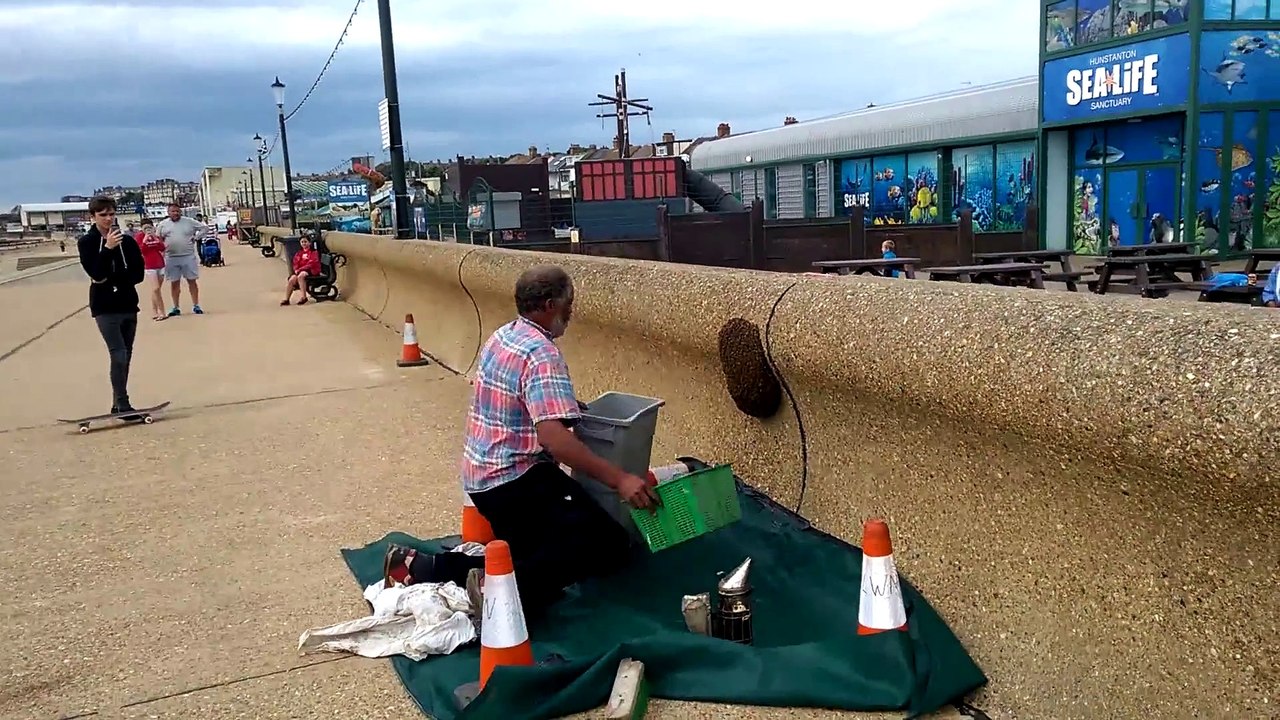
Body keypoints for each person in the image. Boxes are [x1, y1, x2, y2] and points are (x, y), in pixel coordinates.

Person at [382, 265, 657, 618]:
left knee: (532, 552)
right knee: (606, 546)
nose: (570, 313)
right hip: (516, 482)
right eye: (567, 304)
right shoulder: (542, 353)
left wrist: (563, 405)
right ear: (547, 305)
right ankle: (493, 591)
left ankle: (424, 567)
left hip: (482, 481)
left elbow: (519, 399)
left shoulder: (503, 336)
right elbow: (554, 439)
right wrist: (620, 479)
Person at [77, 196, 145, 417]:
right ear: (93, 217)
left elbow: (138, 273)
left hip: (127, 303)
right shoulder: (87, 242)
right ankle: (123, 403)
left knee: (127, 354)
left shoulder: (128, 242)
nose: (108, 219)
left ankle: (117, 402)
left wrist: (113, 278)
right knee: (118, 353)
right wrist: (107, 249)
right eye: (102, 215)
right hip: (104, 307)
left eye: (111, 214)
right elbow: (96, 273)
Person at [155, 203, 206, 316]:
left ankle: (196, 305)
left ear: (180, 212)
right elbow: (158, 239)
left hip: (188, 256)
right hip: (171, 257)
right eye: (173, 211)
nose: (175, 213)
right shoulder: (163, 224)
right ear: (168, 213)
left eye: (177, 211)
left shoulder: (189, 221)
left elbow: (204, 228)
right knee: (174, 283)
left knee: (192, 281)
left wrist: (196, 237)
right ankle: (176, 307)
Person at [135, 218, 167, 321]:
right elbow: (141, 250)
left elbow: (162, 248)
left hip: (160, 263)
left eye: (149, 227)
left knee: (156, 290)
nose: (148, 229)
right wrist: (145, 240)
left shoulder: (155, 236)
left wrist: (155, 238)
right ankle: (162, 312)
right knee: (155, 288)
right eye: (145, 227)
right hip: (149, 265)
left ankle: (154, 310)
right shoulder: (139, 237)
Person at [281, 235, 321, 306]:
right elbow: (295, 262)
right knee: (292, 279)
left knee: (301, 276)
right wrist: (296, 269)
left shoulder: (313, 253)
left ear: (309, 243)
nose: (304, 243)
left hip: (311, 271)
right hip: (300, 271)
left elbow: (312, 263)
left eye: (305, 242)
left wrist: (300, 269)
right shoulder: (299, 253)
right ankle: (287, 299)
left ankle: (304, 297)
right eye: (302, 242)